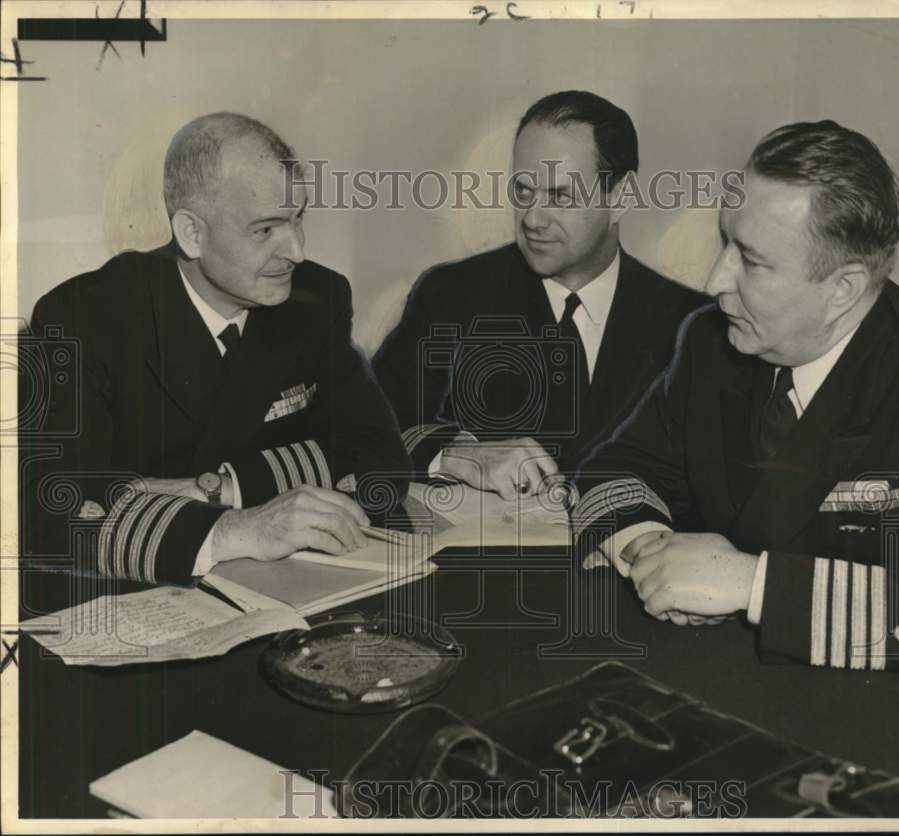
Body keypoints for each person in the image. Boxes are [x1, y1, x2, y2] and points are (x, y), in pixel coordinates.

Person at [572, 120, 899, 687]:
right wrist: (651, 552)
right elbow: (617, 468)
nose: (716, 280)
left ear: (842, 288)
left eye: (752, 260)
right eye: (725, 242)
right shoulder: (712, 342)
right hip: (709, 678)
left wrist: (751, 583)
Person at [20, 112, 410, 593]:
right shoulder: (86, 317)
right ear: (191, 234)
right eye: (265, 230)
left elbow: (380, 456)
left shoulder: (316, 299)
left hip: (288, 589)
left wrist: (222, 487)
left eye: (297, 219)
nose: (297, 250)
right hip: (146, 601)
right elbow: (51, 516)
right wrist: (234, 528)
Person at [373, 90, 707, 499]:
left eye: (559, 196)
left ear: (621, 197)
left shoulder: (694, 324)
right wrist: (457, 455)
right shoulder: (451, 295)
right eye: (524, 191)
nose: (531, 218)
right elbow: (368, 425)